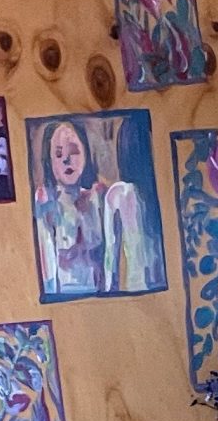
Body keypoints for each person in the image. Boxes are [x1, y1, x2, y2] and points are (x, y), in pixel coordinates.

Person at [32, 118, 155, 296]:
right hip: (63, 300)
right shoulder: (45, 203)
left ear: (85, 153)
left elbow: (111, 257)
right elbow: (47, 273)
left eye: (74, 151)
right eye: (58, 154)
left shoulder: (101, 197)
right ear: (49, 161)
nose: (66, 160)